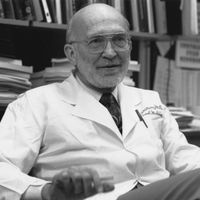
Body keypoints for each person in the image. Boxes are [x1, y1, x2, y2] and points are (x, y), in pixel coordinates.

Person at [1, 3, 200, 200]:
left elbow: (184, 157)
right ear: (71, 53)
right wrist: (47, 191)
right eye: (96, 41)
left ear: (130, 46)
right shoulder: (36, 103)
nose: (111, 52)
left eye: (119, 40)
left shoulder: (148, 99)